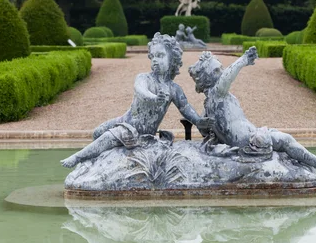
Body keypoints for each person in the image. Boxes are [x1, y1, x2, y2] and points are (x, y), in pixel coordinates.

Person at [60, 33, 213, 168]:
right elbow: (141, 91)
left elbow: (185, 108)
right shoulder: (143, 77)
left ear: (172, 59)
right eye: (152, 56)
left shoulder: (174, 89)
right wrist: (154, 98)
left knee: (107, 136)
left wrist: (198, 121)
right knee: (97, 132)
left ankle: (77, 157)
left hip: (139, 131)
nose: (155, 60)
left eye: (160, 56)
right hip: (125, 119)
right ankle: (105, 157)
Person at [188, 47, 316, 169]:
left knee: (280, 138)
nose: (222, 71)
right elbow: (227, 78)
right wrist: (243, 60)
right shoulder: (216, 94)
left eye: (221, 67)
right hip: (248, 141)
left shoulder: (211, 102)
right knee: (285, 139)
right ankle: (315, 161)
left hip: (251, 135)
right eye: (216, 70)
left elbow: (203, 129)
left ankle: (310, 160)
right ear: (206, 79)